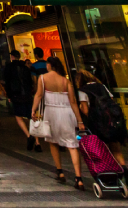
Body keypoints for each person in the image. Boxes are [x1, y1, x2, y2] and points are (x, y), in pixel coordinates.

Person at [30, 55, 86, 191]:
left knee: (53, 142)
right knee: (72, 144)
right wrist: (79, 120)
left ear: (50, 65)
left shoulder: (43, 78)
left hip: (51, 112)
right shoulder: (65, 81)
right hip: (67, 113)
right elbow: (73, 102)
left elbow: (38, 95)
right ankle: (78, 178)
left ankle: (60, 171)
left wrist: (33, 110)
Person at [76, 69, 128, 189]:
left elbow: (85, 109)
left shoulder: (82, 91)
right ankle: (124, 169)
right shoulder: (102, 86)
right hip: (111, 120)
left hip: (98, 123)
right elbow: (111, 101)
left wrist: (82, 112)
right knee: (116, 148)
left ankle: (110, 175)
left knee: (104, 150)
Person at [2, 50, 38, 151]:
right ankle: (38, 142)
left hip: (16, 95)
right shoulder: (25, 67)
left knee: (18, 116)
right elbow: (30, 81)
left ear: (12, 56)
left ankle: (28, 135)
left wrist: (9, 95)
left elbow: (7, 82)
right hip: (27, 94)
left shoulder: (9, 67)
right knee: (31, 117)